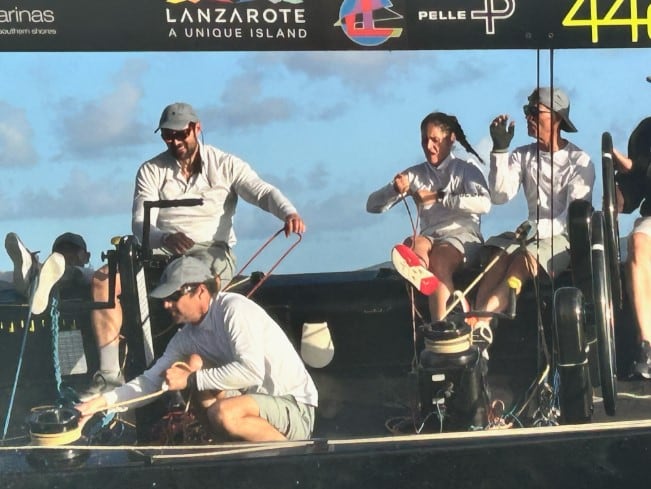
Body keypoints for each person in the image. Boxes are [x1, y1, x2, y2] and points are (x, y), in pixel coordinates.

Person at [83, 102, 306, 400]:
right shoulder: (150, 170)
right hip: (160, 248)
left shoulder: (225, 164)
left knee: (192, 300)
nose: (174, 142)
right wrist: (164, 238)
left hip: (209, 252)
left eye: (179, 135)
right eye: (167, 136)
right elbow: (139, 223)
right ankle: (110, 376)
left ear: (196, 129)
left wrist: (288, 213)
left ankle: (191, 392)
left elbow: (262, 192)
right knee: (102, 281)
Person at [77, 256, 318, 442]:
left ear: (200, 291)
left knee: (223, 412)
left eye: (174, 296)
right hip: (255, 406)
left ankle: (294, 457)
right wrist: (98, 405)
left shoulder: (233, 309)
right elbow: (150, 382)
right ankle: (230, 455)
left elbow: (251, 371)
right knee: (191, 381)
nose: (166, 304)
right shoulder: (187, 337)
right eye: (164, 298)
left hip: (294, 408)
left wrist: (191, 378)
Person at [473, 87, 595, 332]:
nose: (528, 117)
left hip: (564, 238)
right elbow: (499, 195)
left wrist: (537, 227)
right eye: (526, 111)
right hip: (530, 234)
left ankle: (482, 323)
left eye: (534, 112)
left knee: (521, 260)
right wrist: (499, 151)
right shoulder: (522, 155)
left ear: (557, 118)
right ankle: (475, 326)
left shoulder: (580, 161)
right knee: (496, 257)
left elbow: (571, 218)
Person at [366, 111, 491, 321]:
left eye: (435, 140)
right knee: (414, 244)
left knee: (439, 258)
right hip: (431, 237)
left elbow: (485, 204)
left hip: (464, 237)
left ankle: (443, 324)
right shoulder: (415, 174)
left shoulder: (466, 169)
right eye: (425, 140)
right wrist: (395, 190)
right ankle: (421, 270)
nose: (429, 146)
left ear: (450, 139)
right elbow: (372, 205)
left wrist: (439, 196)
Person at [611, 116, 651, 378]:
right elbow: (632, 195)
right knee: (637, 241)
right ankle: (646, 347)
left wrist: (637, 167)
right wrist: (616, 190)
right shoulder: (645, 133)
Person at [3, 231, 92, 315]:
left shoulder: (90, 274)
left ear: (87, 256)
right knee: (31, 275)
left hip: (70, 280)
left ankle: (32, 274)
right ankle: (30, 271)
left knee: (74, 272)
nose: (68, 254)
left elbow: (83, 275)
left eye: (73, 251)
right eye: (62, 250)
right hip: (41, 281)